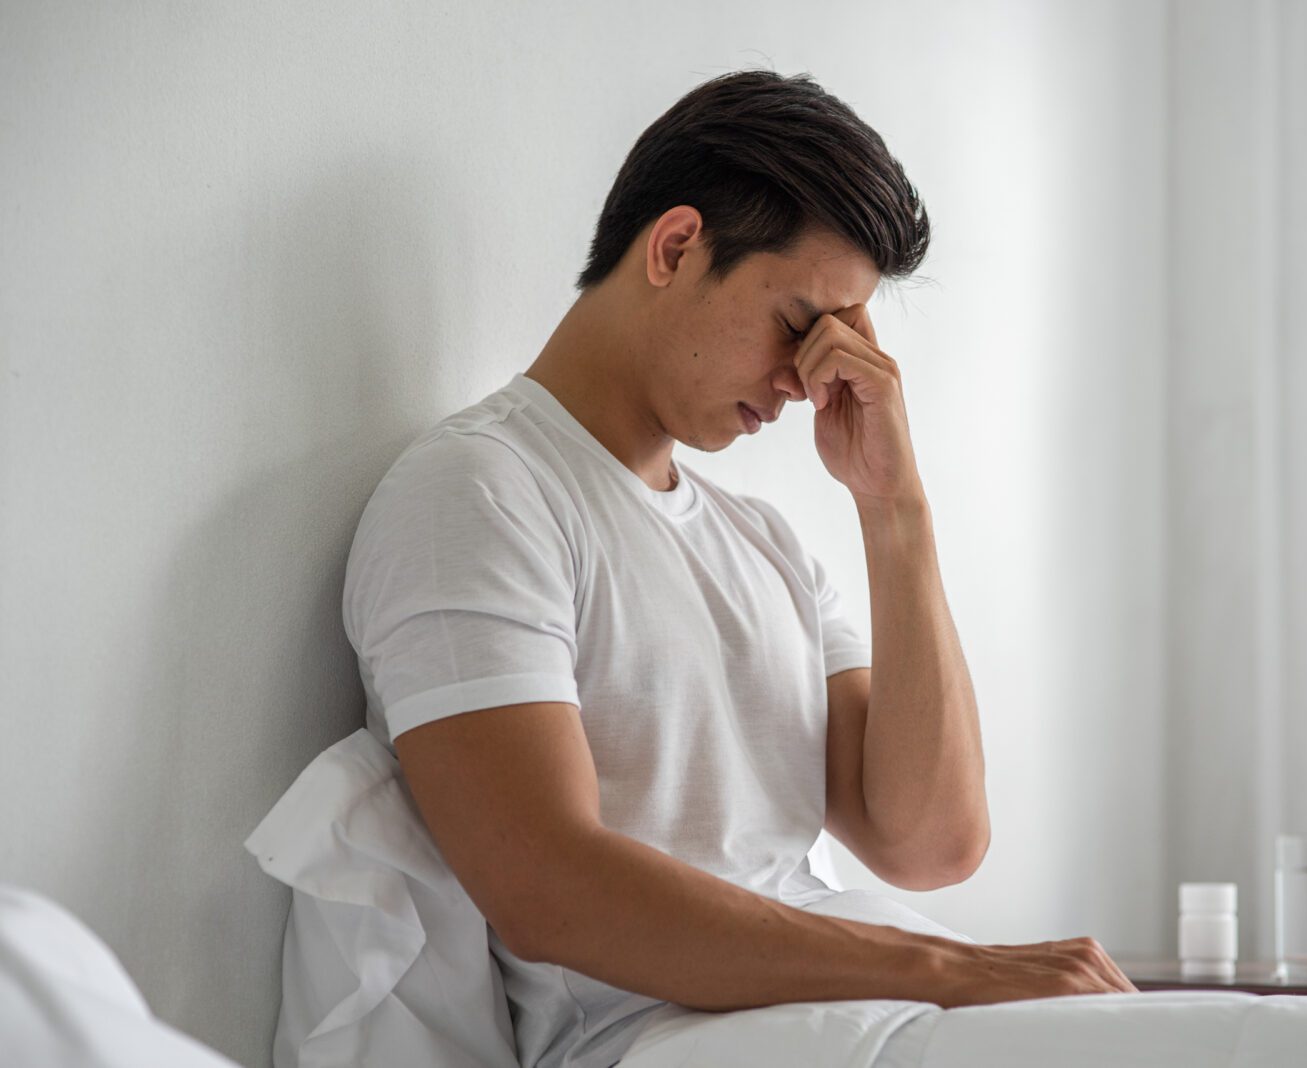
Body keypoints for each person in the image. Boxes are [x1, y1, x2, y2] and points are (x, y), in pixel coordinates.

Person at [341, 68, 1137, 1068]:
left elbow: (928, 844)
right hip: (666, 1038)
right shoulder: (479, 491)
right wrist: (944, 968)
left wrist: (893, 506)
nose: (809, 382)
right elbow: (544, 886)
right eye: (800, 324)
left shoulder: (765, 545)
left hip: (850, 1019)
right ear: (676, 247)